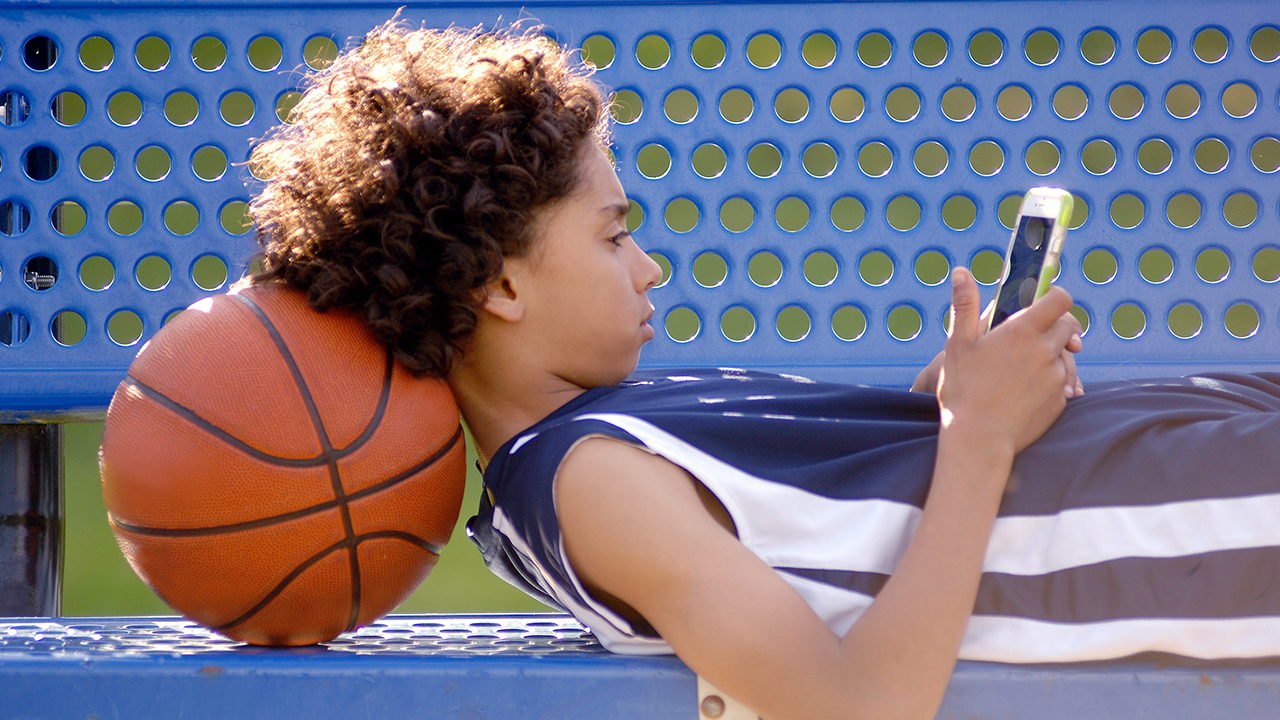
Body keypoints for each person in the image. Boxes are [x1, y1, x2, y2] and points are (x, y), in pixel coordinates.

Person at [248, 19, 1280, 720]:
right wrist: (974, 442)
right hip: (1191, 521)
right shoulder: (583, 480)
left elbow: (844, 512)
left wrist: (950, 403)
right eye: (612, 237)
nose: (648, 265)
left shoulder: (611, 424)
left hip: (1186, 454)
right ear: (501, 287)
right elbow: (849, 703)